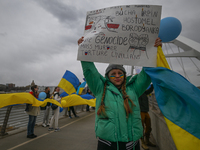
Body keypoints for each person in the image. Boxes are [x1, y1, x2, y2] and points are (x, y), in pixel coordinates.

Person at [78, 36, 162, 150]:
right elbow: (89, 71)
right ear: (108, 76)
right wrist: (84, 50)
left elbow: (146, 74)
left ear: (124, 75)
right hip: (107, 144)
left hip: (131, 144)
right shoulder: (100, 88)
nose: (117, 76)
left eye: (120, 73)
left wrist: (154, 51)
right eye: (113, 73)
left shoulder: (134, 88)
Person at [139, 84, 155, 150]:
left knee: (148, 126)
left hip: (146, 111)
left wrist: (152, 85)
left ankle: (147, 141)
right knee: (141, 128)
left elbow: (149, 91)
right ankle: (143, 143)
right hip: (140, 112)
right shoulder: (138, 93)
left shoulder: (144, 92)